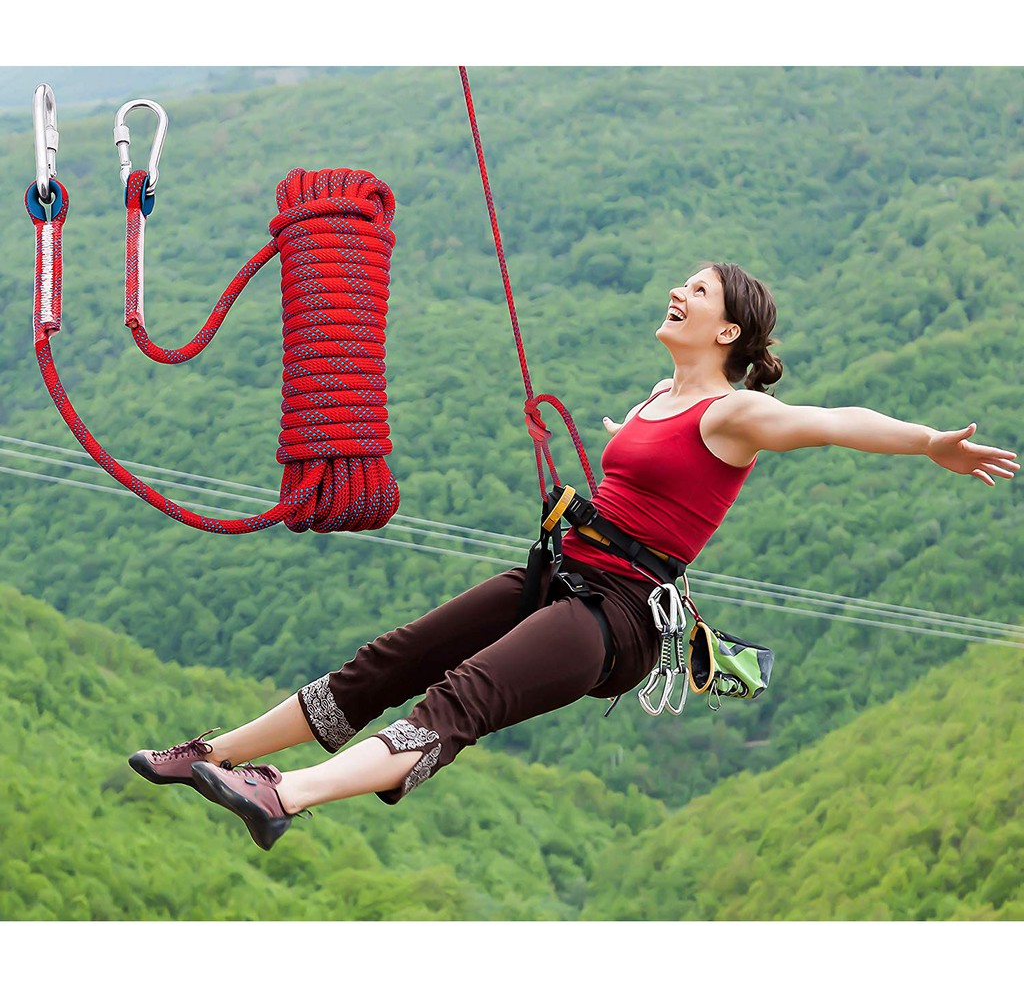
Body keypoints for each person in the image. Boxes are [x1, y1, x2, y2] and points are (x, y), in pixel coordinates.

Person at [129, 262, 1019, 851]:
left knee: (456, 703)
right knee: (389, 661)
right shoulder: (658, 398)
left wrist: (927, 441)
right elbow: (646, 480)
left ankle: (282, 795)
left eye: (699, 292)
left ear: (729, 333)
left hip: (617, 617)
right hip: (559, 574)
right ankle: (210, 752)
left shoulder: (731, 414)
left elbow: (832, 424)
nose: (680, 292)